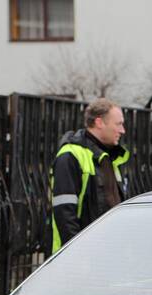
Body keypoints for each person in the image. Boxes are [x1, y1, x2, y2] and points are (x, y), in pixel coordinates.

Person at [49, 98, 129, 255]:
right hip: (80, 257)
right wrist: (77, 254)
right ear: (99, 122)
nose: (122, 130)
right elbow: (65, 214)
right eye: (118, 124)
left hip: (105, 253)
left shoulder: (108, 158)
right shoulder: (70, 156)